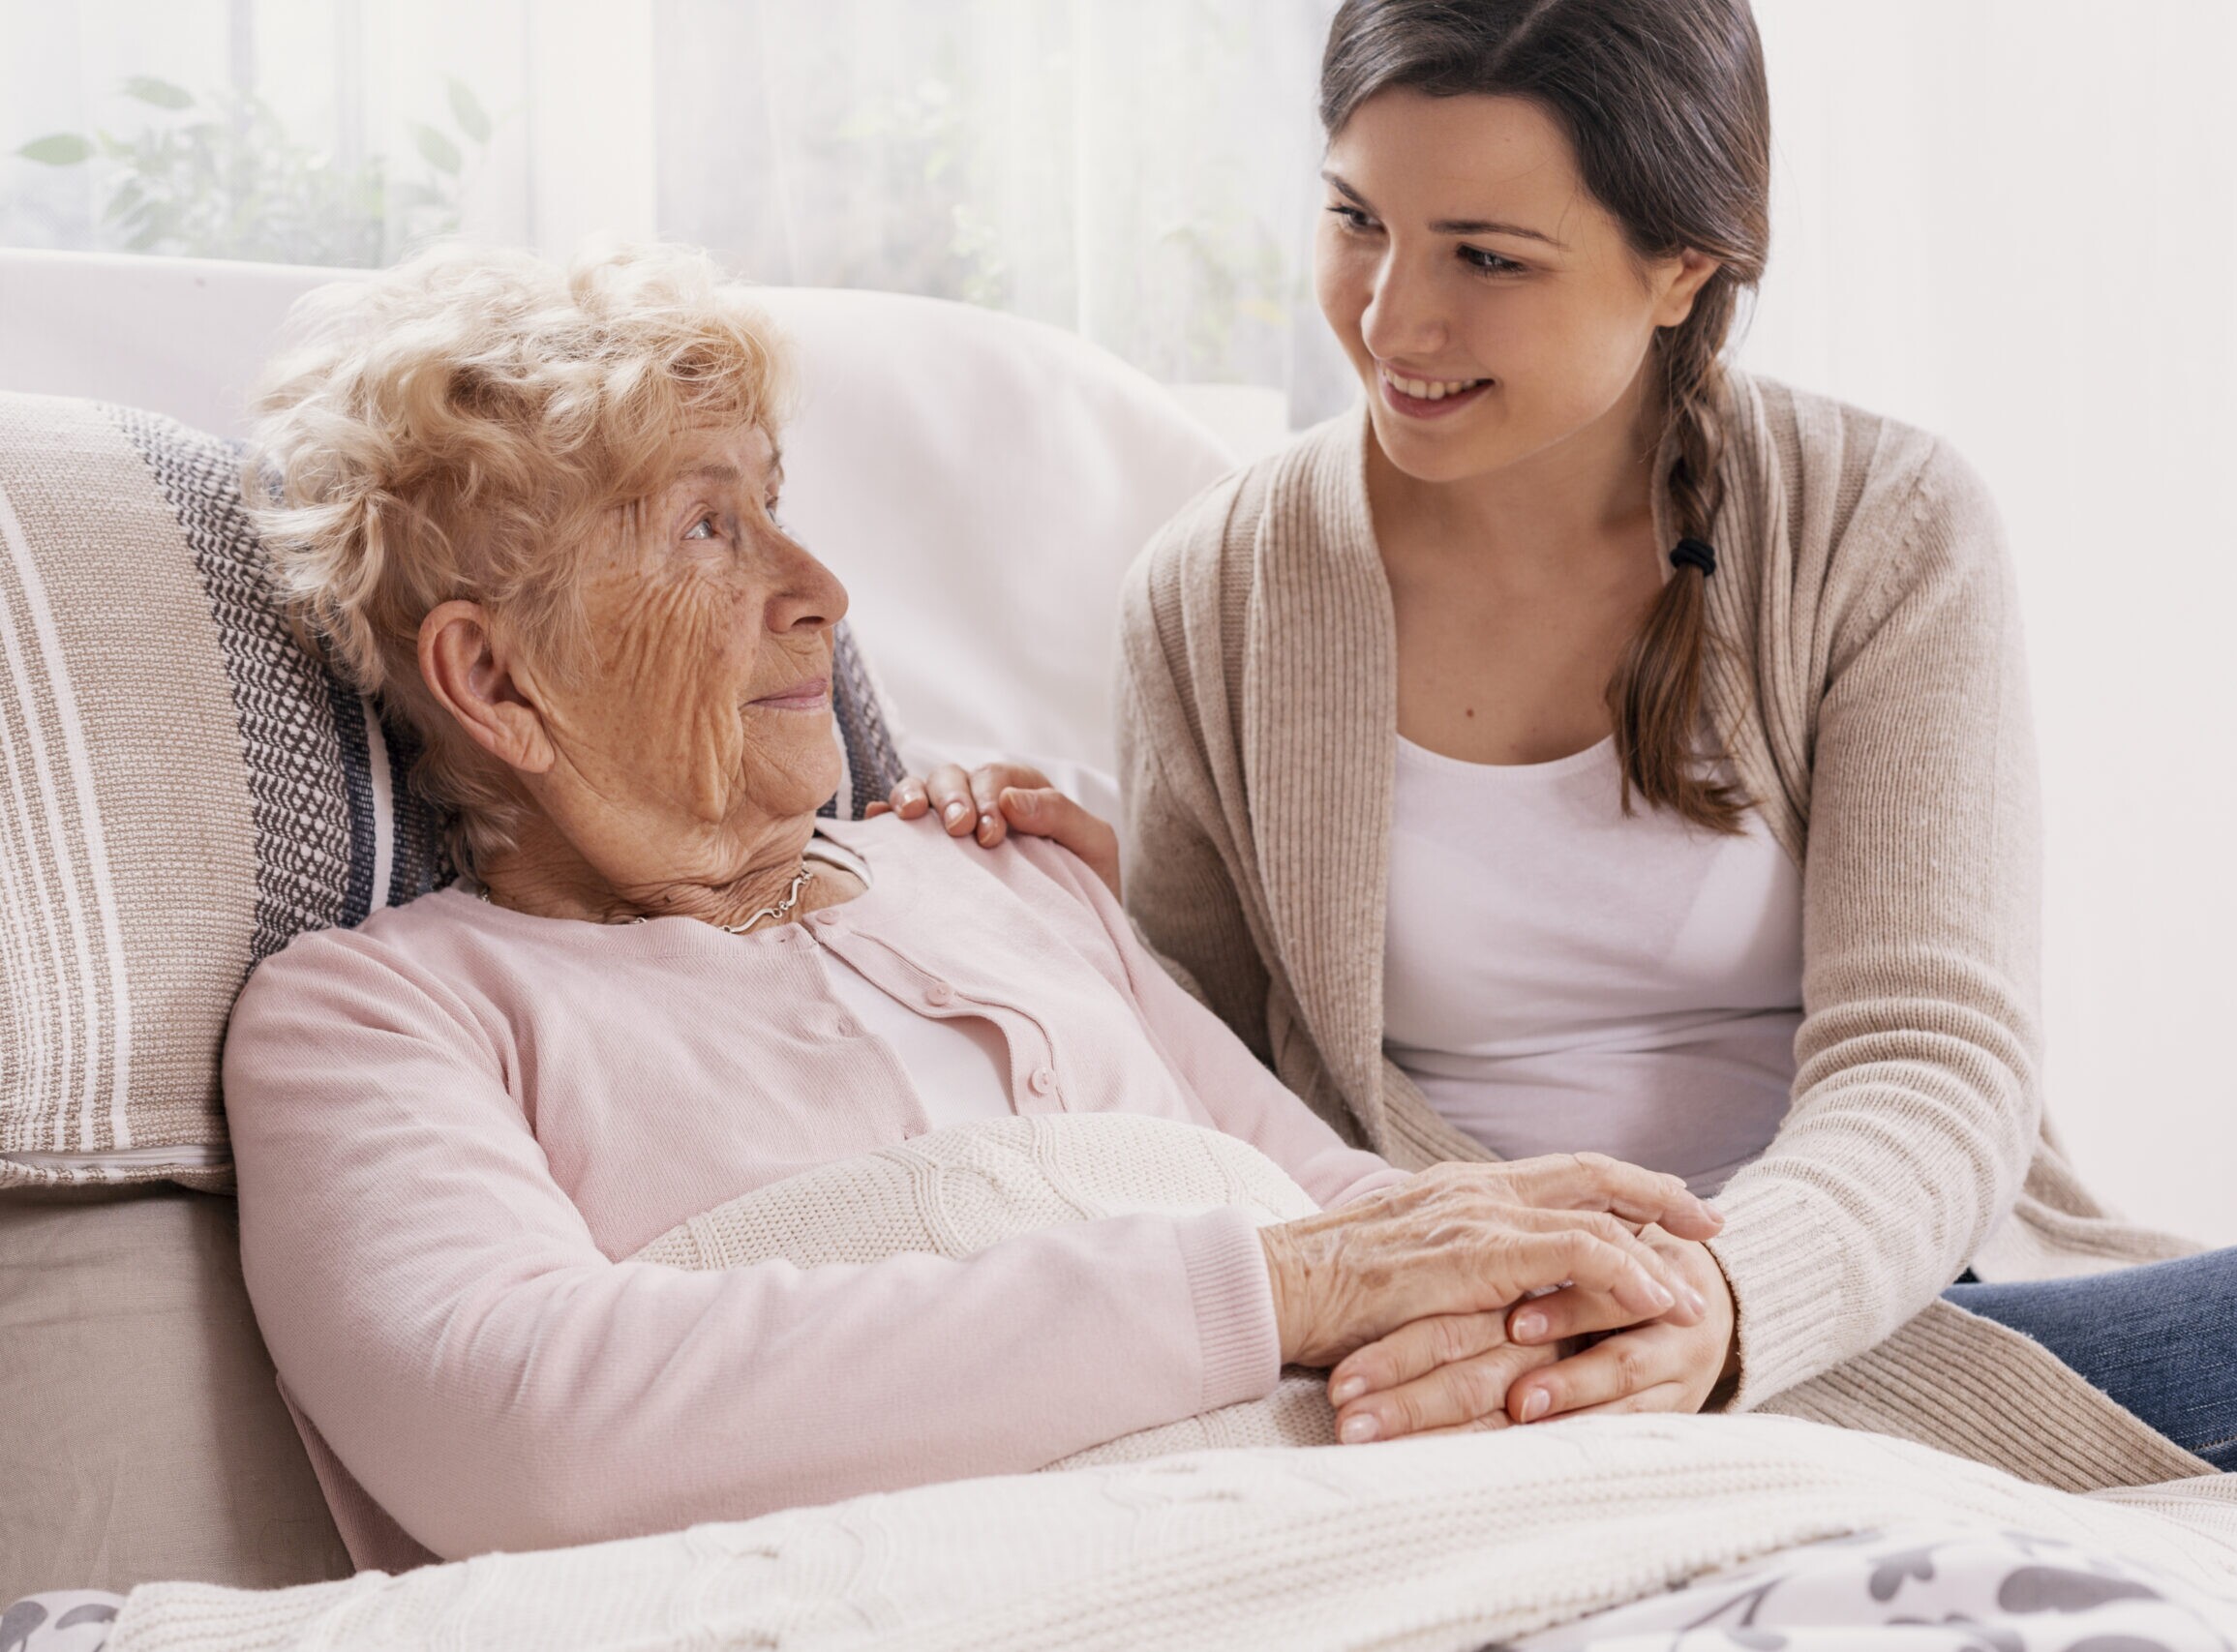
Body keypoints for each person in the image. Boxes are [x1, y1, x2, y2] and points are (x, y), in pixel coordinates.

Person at [889, 0, 2237, 1476]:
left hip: (1865, 1299)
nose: (1391, 316)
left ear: (1687, 269)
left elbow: (1934, 1060)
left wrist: (1718, 1317)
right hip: (1463, 1347)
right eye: (1359, 218)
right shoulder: (1211, 593)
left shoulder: (1883, 529)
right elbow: (1219, 1113)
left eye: (1489, 257)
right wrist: (1062, 924)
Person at [221, 241, 1728, 1568]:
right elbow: (526, 1426)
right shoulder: (373, 1017)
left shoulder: (1009, 872)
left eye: (777, 508)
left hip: (1418, 1537)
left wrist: (1580, 1300)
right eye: (706, 529)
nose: (821, 589)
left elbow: (1332, 1211)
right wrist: (1269, 1290)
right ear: (495, 677)